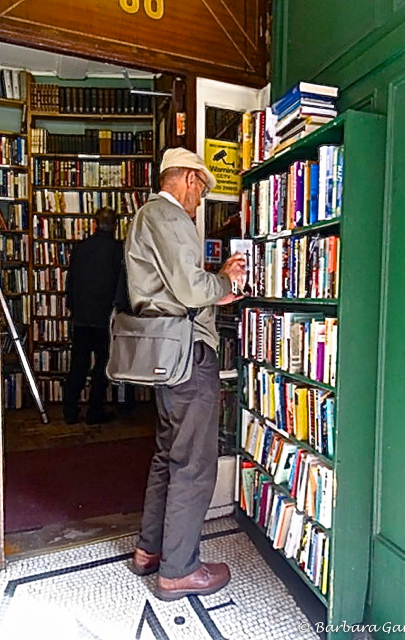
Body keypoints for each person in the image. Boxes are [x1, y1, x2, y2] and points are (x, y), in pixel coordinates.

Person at [126, 147, 246, 600]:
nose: (199, 201)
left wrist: (213, 279)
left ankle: (150, 551)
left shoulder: (144, 216)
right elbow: (192, 290)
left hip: (164, 353)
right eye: (201, 190)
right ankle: (179, 570)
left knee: (168, 454)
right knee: (194, 463)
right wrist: (227, 285)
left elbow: (175, 286)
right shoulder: (173, 218)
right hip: (188, 352)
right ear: (190, 180)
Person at [63, 206, 122, 425]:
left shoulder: (81, 248)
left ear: (95, 224)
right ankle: (94, 410)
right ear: (114, 226)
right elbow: (121, 286)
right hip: (105, 318)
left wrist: (73, 307)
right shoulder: (118, 251)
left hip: (81, 317)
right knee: (103, 364)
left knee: (78, 363)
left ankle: (70, 410)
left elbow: (71, 282)